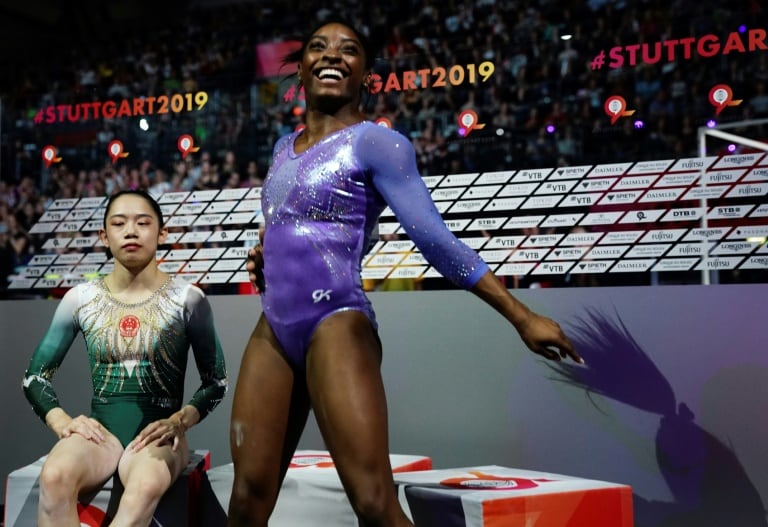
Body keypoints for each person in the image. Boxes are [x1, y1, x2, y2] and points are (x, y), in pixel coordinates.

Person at [227, 20, 583, 527]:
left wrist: (520, 316)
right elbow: (290, 225)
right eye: (318, 47)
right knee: (247, 501)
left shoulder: (377, 144)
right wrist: (266, 252)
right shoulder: (283, 147)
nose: (332, 55)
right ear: (301, 67)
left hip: (336, 323)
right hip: (272, 331)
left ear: (367, 74)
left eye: (349, 50)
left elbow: (435, 241)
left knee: (373, 502)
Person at [22, 189, 228, 527]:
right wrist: (61, 421)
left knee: (144, 485)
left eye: (143, 222)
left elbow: (216, 381)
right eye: (119, 223)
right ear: (104, 236)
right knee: (55, 476)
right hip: (99, 437)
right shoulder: (81, 298)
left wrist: (180, 420)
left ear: (162, 233)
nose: (131, 231)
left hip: (159, 437)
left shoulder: (188, 300)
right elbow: (34, 377)